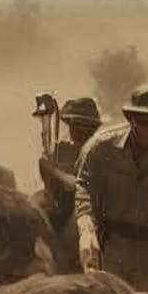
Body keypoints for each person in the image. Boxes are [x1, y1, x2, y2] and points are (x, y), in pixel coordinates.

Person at [74, 87, 148, 294]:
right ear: (131, 119)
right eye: (141, 120)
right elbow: (84, 187)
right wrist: (86, 229)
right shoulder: (101, 148)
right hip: (113, 247)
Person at [35, 94, 99, 271]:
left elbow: (78, 184)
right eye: (74, 125)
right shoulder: (62, 148)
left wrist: (56, 173)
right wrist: (48, 169)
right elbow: (46, 172)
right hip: (58, 204)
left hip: (86, 206)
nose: (78, 131)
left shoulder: (99, 151)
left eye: (85, 127)